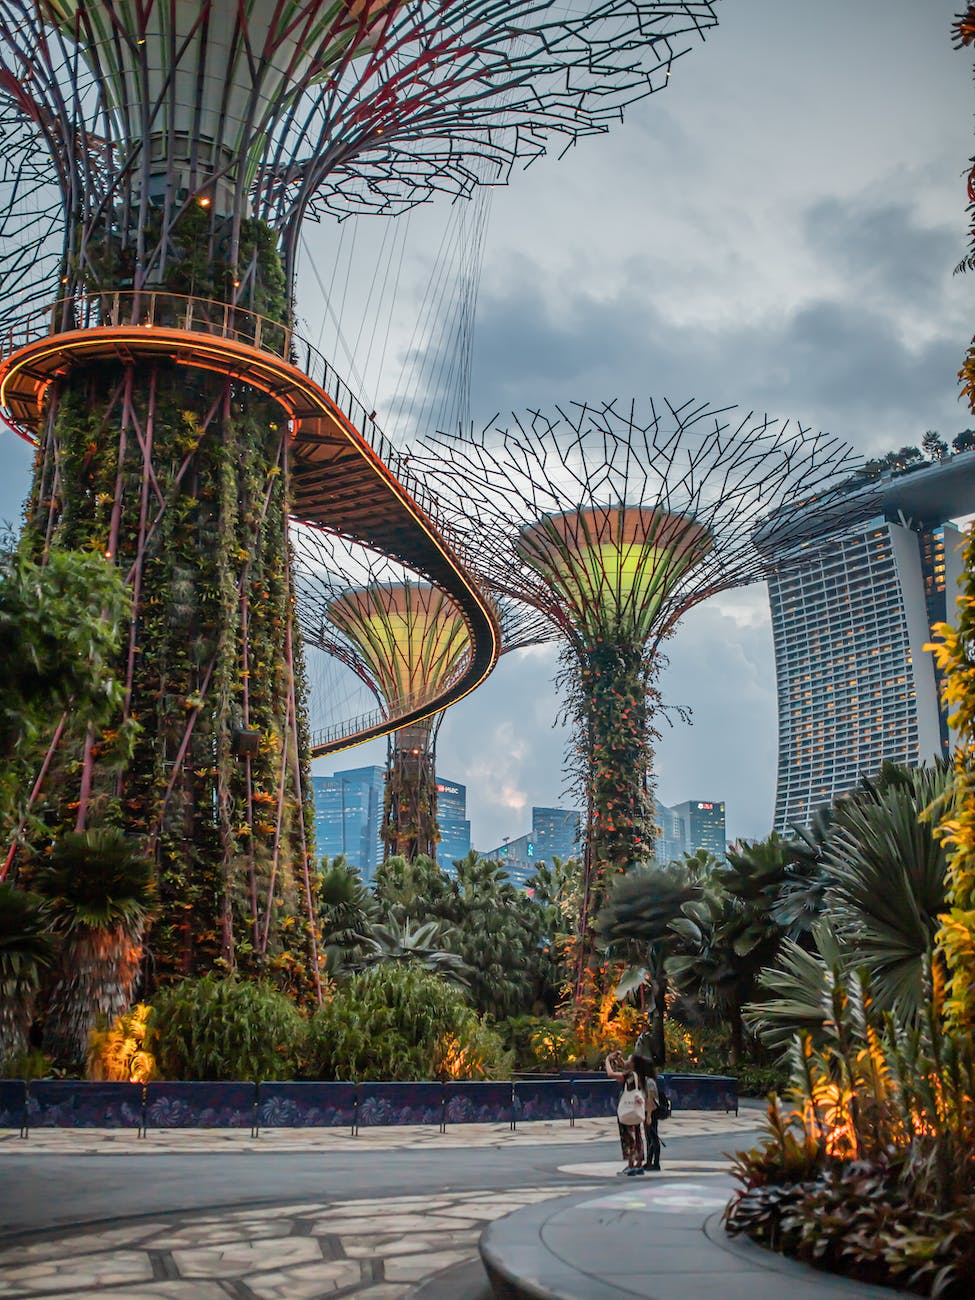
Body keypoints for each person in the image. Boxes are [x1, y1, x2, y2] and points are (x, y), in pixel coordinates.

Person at [605, 1048, 645, 1175]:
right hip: (636, 1109)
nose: (625, 1060)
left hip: (628, 1109)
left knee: (629, 1136)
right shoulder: (638, 1074)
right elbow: (625, 1067)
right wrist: (617, 1059)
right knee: (637, 1134)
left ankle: (630, 1164)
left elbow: (611, 1074)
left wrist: (607, 1060)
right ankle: (639, 1163)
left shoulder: (629, 1076)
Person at [631, 1041, 661, 1172]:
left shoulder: (649, 1082)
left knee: (653, 1137)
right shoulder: (647, 1081)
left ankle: (655, 1162)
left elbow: (650, 1099)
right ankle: (650, 1161)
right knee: (649, 1136)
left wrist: (648, 1115)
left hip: (651, 1111)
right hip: (647, 1111)